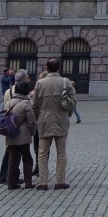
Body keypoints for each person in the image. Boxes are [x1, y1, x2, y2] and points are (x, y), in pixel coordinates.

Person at [33, 58, 75, 190]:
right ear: (59, 68)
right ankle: (59, 181)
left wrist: (37, 118)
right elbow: (73, 102)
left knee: (42, 153)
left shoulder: (40, 83)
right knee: (61, 153)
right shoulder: (65, 82)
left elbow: (34, 104)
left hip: (44, 120)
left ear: (47, 68)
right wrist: (68, 114)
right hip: (61, 121)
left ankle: (43, 182)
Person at [3, 76, 37, 190]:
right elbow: (31, 121)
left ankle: (11, 183)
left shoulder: (9, 103)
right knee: (27, 158)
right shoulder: (26, 103)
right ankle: (28, 182)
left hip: (11, 134)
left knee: (13, 159)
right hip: (23, 136)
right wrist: (32, 132)